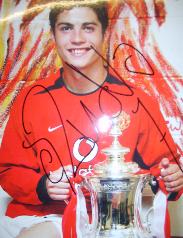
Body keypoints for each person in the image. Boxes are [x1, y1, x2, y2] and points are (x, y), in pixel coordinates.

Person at [0, 1, 182, 238]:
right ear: (53, 35)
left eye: (88, 28)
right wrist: (44, 186)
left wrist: (173, 178)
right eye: (66, 28)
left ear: (104, 33)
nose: (77, 38)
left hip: (115, 218)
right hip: (47, 215)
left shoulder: (136, 101)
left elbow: (166, 168)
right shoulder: (31, 99)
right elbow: (9, 170)